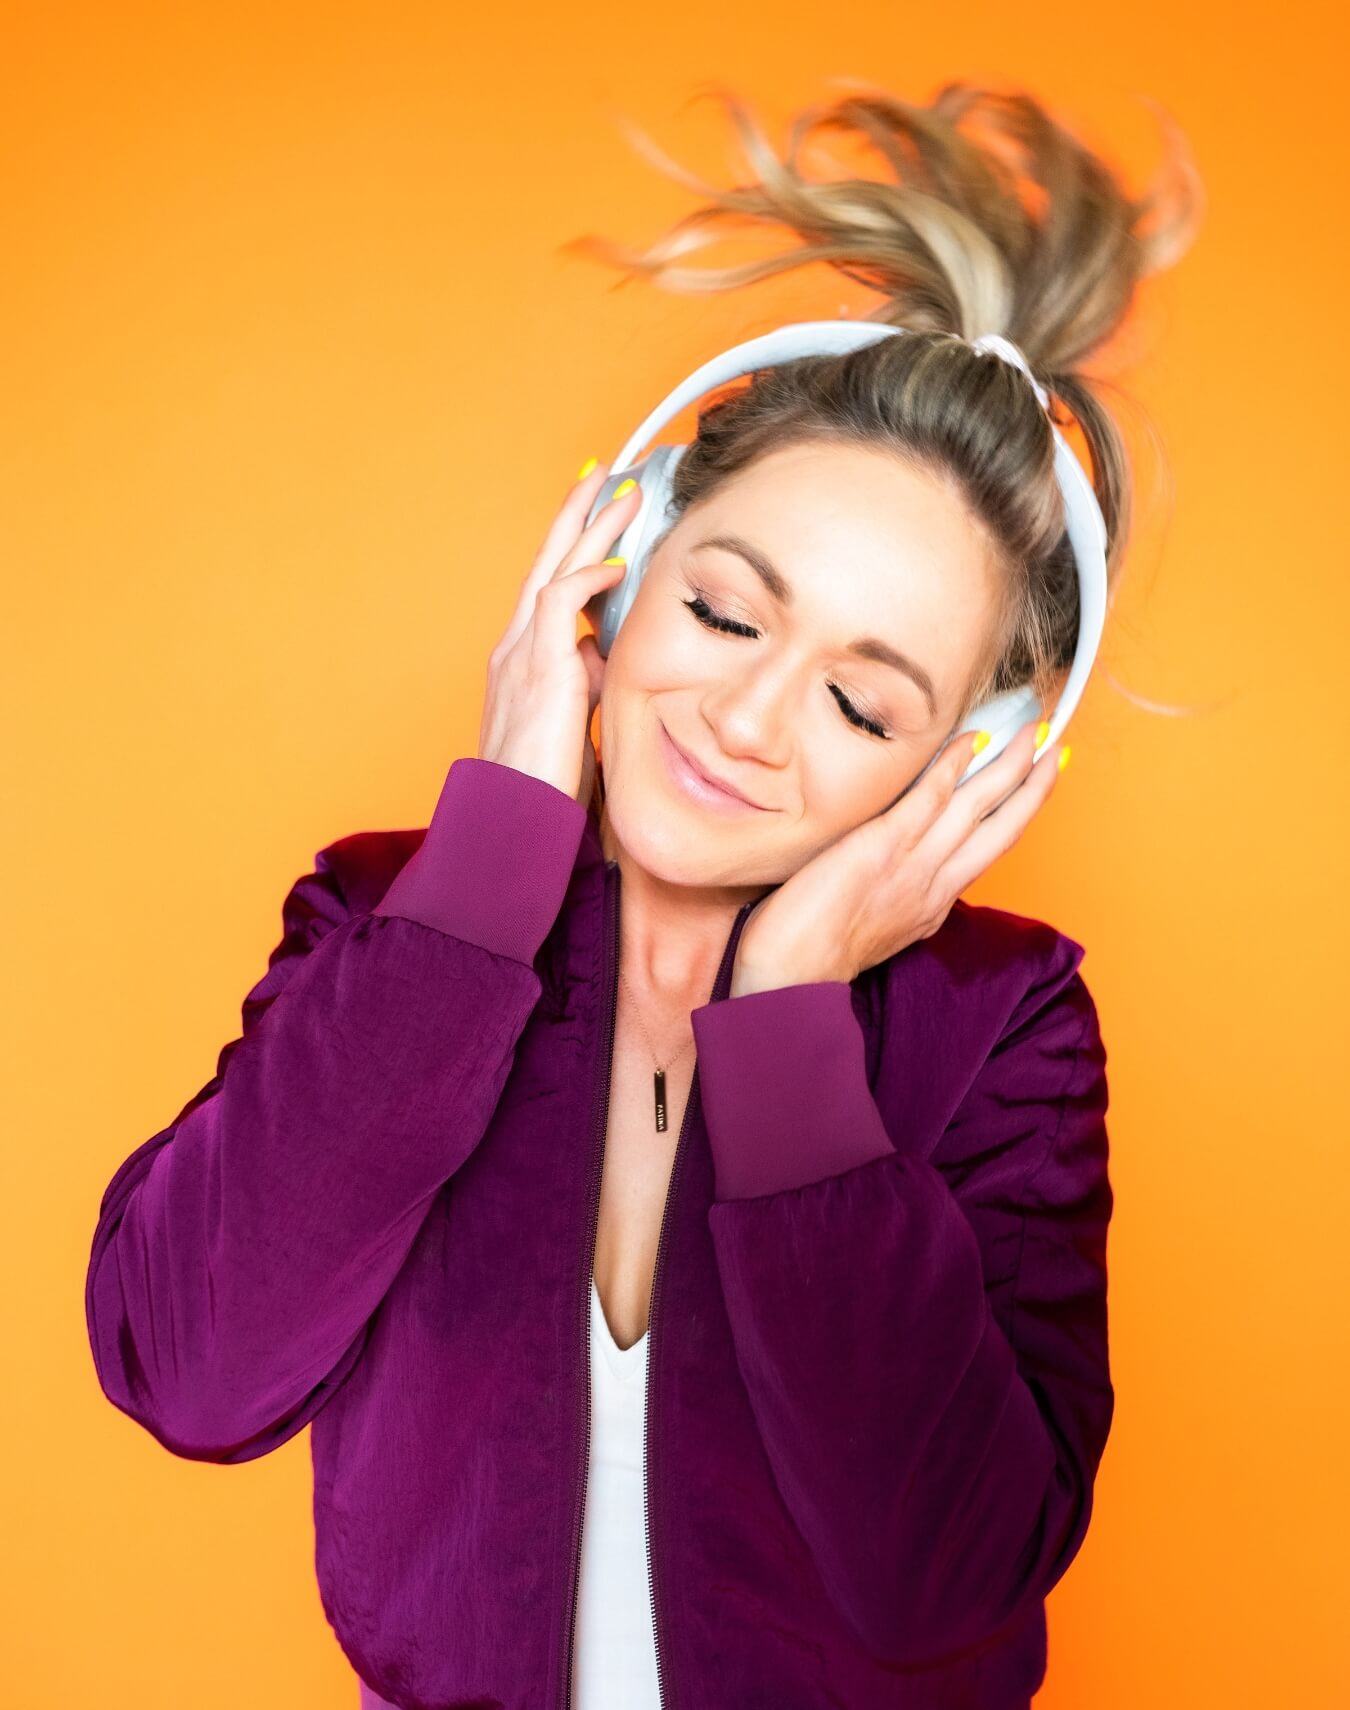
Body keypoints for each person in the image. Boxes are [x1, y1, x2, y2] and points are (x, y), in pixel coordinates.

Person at [85, 79, 1201, 1710]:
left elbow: (940, 1578)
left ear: (957, 766)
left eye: (860, 704)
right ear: (623, 567)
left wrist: (792, 1016)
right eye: (727, 614)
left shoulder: (1001, 1022)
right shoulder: (393, 917)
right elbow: (188, 1371)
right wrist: (489, 858)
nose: (744, 719)